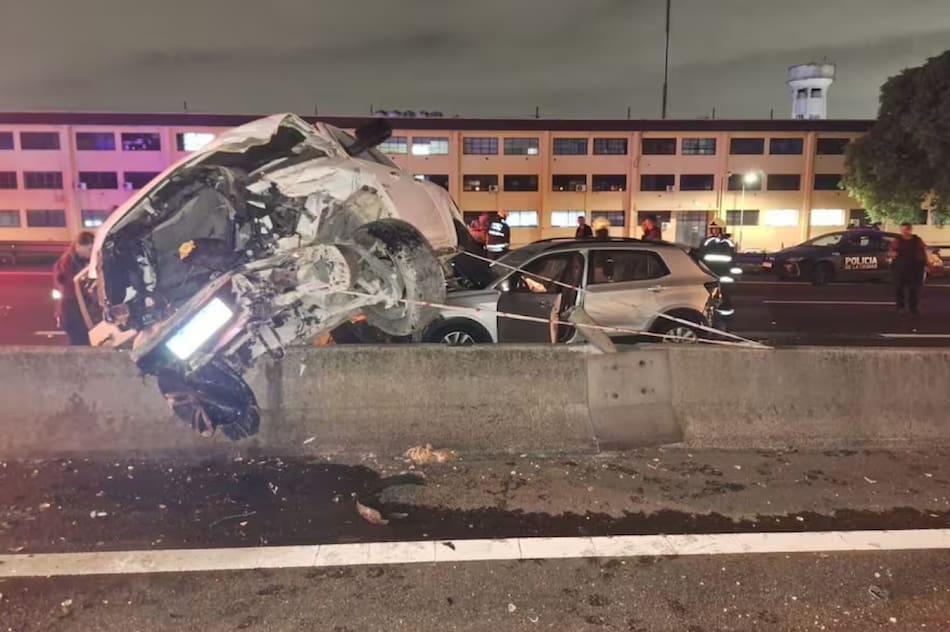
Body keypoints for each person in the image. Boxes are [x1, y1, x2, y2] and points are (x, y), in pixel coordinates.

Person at [53, 231, 95, 345]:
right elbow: (72, 287)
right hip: (72, 310)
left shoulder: (77, 260)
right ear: (78, 246)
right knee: (80, 342)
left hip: (75, 309)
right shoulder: (67, 263)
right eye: (89, 249)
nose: (91, 253)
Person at [888, 222, 927, 315]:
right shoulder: (897, 241)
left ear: (910, 230)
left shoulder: (917, 240)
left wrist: (925, 265)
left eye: (905, 230)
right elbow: (891, 252)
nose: (904, 232)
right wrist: (892, 255)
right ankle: (900, 307)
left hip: (914, 269)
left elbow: (923, 252)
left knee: (914, 290)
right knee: (898, 289)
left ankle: (913, 307)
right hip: (900, 268)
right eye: (902, 230)